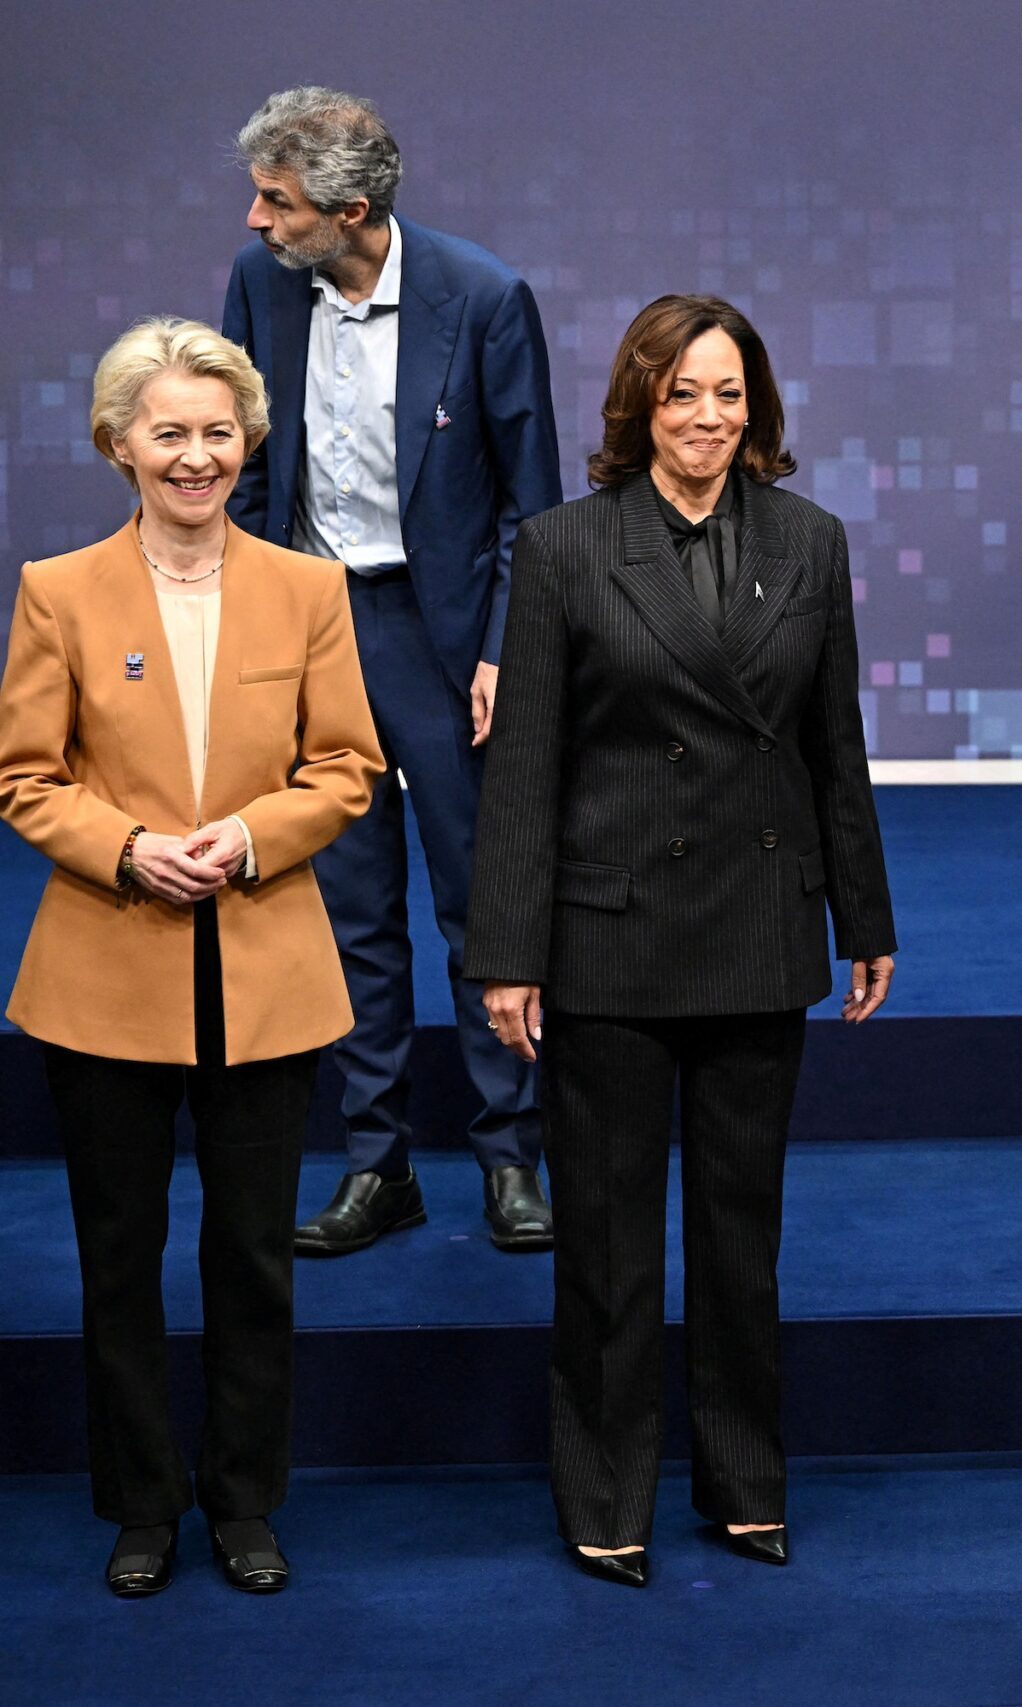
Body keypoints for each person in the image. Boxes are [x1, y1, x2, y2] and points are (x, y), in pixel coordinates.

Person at [464, 295, 895, 1585]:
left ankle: (744, 1482)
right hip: (609, 940)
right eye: (681, 397)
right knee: (604, 1247)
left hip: (759, 933)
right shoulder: (561, 549)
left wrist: (863, 917)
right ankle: (606, 1495)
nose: (707, 420)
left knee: (739, 1239)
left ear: (756, 407)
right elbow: (526, 761)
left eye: (728, 396)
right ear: (637, 407)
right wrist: (506, 953)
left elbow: (836, 749)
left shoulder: (810, 544)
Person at [0, 318, 382, 1596]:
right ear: (119, 444)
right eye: (170, 431)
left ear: (251, 440)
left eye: (219, 431)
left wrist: (252, 838)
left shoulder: (307, 589)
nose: (197, 455)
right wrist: (124, 849)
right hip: (106, 971)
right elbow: (25, 779)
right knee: (119, 1259)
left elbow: (345, 769)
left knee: (252, 1257)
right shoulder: (58, 590)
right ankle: (143, 1504)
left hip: (266, 966)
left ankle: (243, 1501)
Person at [221, 87, 564, 1255]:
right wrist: (259, 629)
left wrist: (502, 649)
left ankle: (511, 1156)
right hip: (315, 627)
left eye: (279, 202)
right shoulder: (260, 285)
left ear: (350, 210)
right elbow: (256, 474)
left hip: (443, 634)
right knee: (352, 913)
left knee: (482, 905)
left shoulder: (482, 297)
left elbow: (533, 503)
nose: (259, 221)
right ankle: (380, 1165)